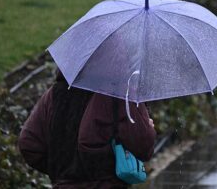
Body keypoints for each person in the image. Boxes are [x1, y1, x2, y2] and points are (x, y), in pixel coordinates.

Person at [18, 70, 156, 188]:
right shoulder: (119, 93)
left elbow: (29, 144)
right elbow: (142, 145)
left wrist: (62, 172)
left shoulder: (55, 93)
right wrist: (146, 126)